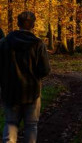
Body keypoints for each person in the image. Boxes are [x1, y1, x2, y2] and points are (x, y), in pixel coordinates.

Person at [0, 11, 50, 143]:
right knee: (31, 125)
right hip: (31, 91)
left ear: (17, 23)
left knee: (10, 123)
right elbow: (45, 70)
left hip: (9, 91)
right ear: (33, 25)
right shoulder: (38, 44)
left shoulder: (4, 42)